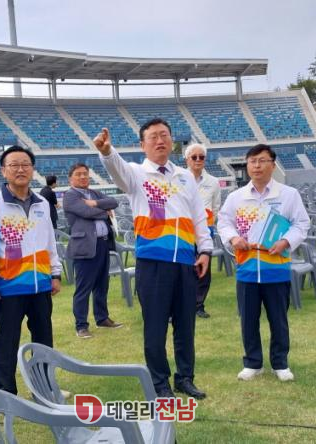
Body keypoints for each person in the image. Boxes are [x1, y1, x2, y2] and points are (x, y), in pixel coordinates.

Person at [95, 118, 213, 400]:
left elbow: (198, 216)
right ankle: (160, 383)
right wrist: (107, 152)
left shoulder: (184, 177)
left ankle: (185, 378)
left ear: (172, 141)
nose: (160, 141)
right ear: (143, 145)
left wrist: (205, 250)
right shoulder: (136, 174)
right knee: (155, 326)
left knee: (185, 324)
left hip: (185, 261)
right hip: (153, 262)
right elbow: (117, 171)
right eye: (153, 137)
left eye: (164, 135)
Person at [218, 144, 309, 383]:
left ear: (273, 164)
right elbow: (224, 222)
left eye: (262, 160)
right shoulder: (236, 197)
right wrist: (233, 238)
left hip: (276, 268)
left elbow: (302, 224)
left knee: (278, 319)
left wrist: (286, 241)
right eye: (252, 161)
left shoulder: (288, 195)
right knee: (248, 319)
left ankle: (280, 363)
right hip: (247, 268)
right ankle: (252, 363)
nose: (256, 166)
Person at [0, 145, 62, 395]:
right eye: (14, 165)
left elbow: (50, 242)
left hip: (40, 286)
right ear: (3, 171)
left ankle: (44, 389)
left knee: (43, 341)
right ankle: (4, 393)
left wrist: (55, 273)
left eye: (25, 164)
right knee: (7, 342)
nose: (20, 169)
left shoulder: (42, 204)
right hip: (9, 287)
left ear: (32, 169)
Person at [63, 162, 121, 339]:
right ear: (70, 179)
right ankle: (81, 325)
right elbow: (86, 213)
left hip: (103, 244)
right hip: (84, 246)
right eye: (78, 174)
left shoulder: (94, 193)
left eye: (85, 173)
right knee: (84, 288)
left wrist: (95, 203)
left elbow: (114, 202)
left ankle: (102, 318)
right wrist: (105, 212)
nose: (83, 177)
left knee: (102, 284)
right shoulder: (70, 196)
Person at [184, 143, 221, 319]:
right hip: (183, 231)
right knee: (183, 270)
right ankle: (179, 306)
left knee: (203, 270)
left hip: (205, 231)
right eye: (194, 157)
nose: (198, 160)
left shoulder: (213, 182)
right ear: (187, 159)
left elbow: (216, 207)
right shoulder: (180, 179)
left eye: (201, 157)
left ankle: (198, 305)